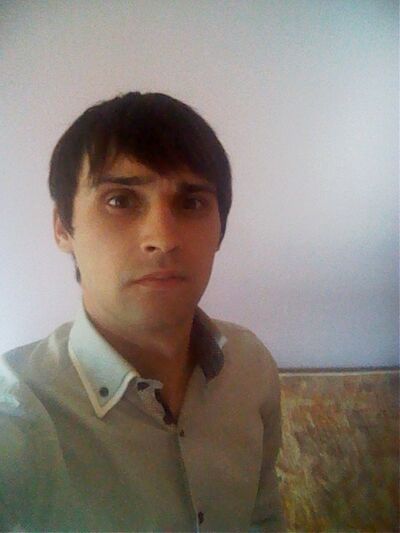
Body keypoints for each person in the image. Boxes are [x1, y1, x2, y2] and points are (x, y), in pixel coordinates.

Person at [0, 92, 286, 532]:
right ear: (63, 228)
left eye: (191, 202)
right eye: (120, 200)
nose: (162, 238)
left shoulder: (252, 367)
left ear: (220, 230)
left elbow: (262, 518)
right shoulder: (20, 416)